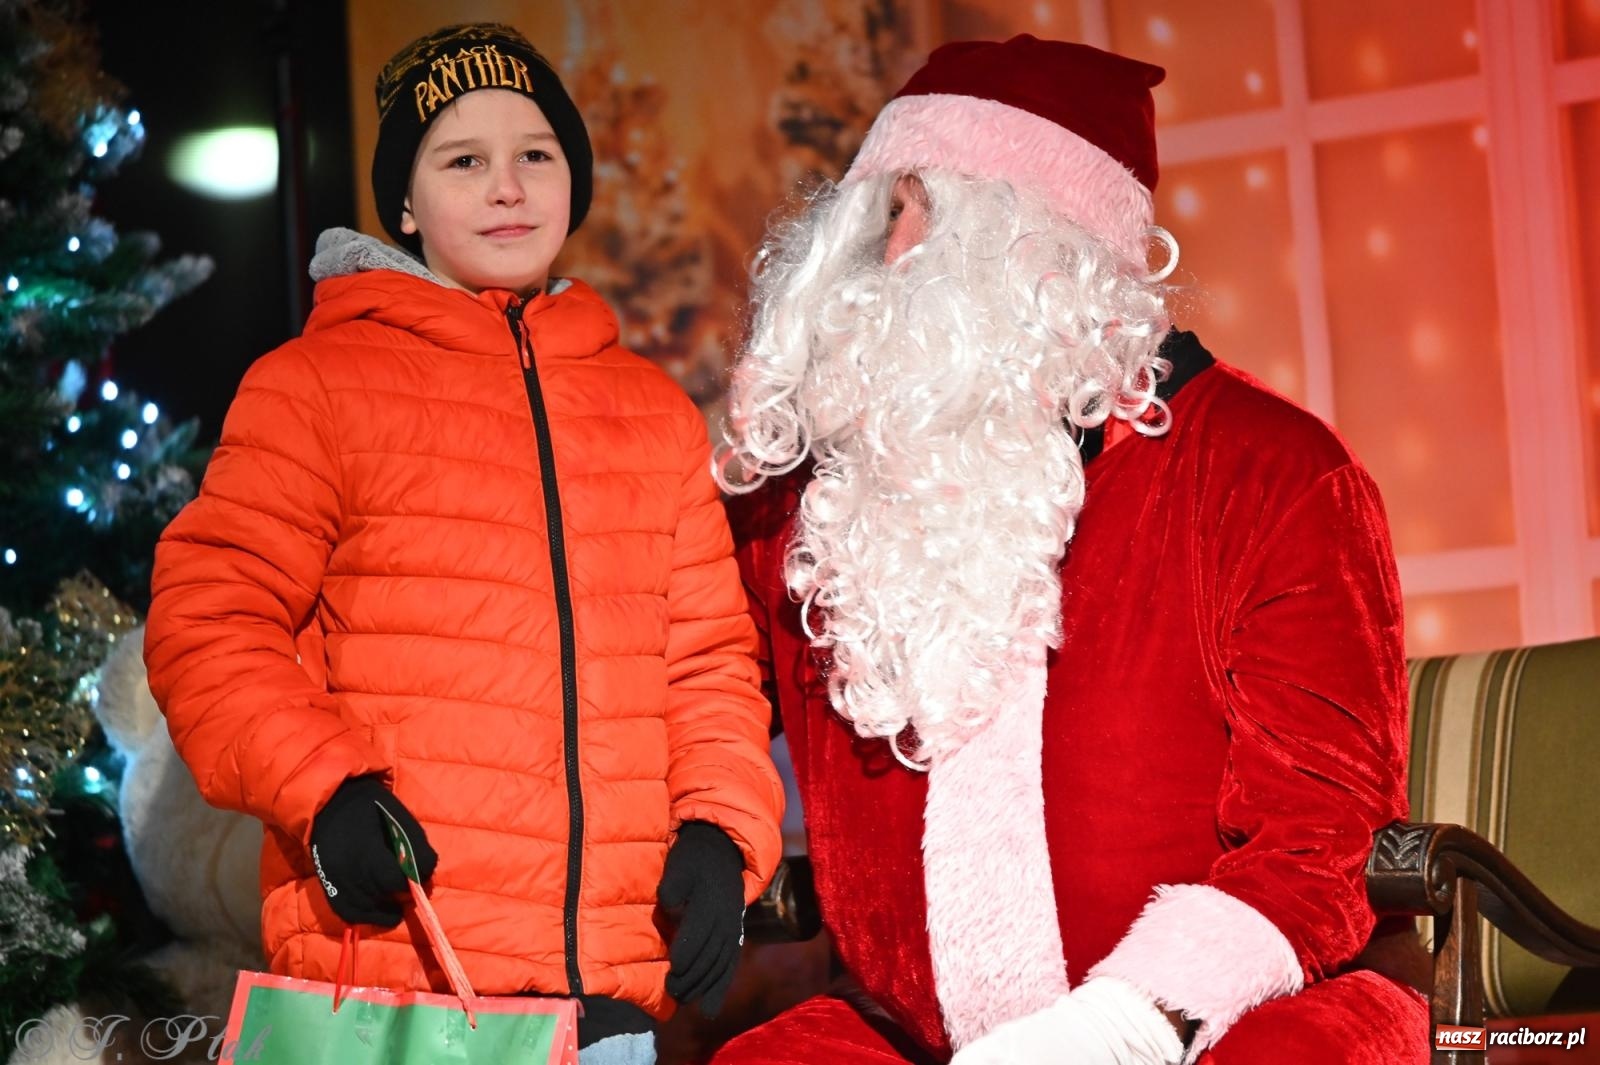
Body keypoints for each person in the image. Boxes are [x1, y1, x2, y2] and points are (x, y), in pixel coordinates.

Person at [710, 35, 1428, 1065]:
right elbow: (690, 694)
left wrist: (1125, 1026)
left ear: (1033, 247)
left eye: (911, 211)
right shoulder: (813, 509)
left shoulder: (1265, 469)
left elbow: (1320, 842)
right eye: (874, 215)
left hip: (1222, 1019)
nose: (879, 255)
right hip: (920, 1039)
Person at [142, 23, 783, 1064]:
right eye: (463, 160)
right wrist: (328, 793)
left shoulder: (652, 413)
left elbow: (707, 663)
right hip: (400, 991)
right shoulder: (316, 386)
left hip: (607, 1006)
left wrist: (720, 834)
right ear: (404, 202)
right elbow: (210, 618)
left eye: (535, 154)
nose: (507, 189)